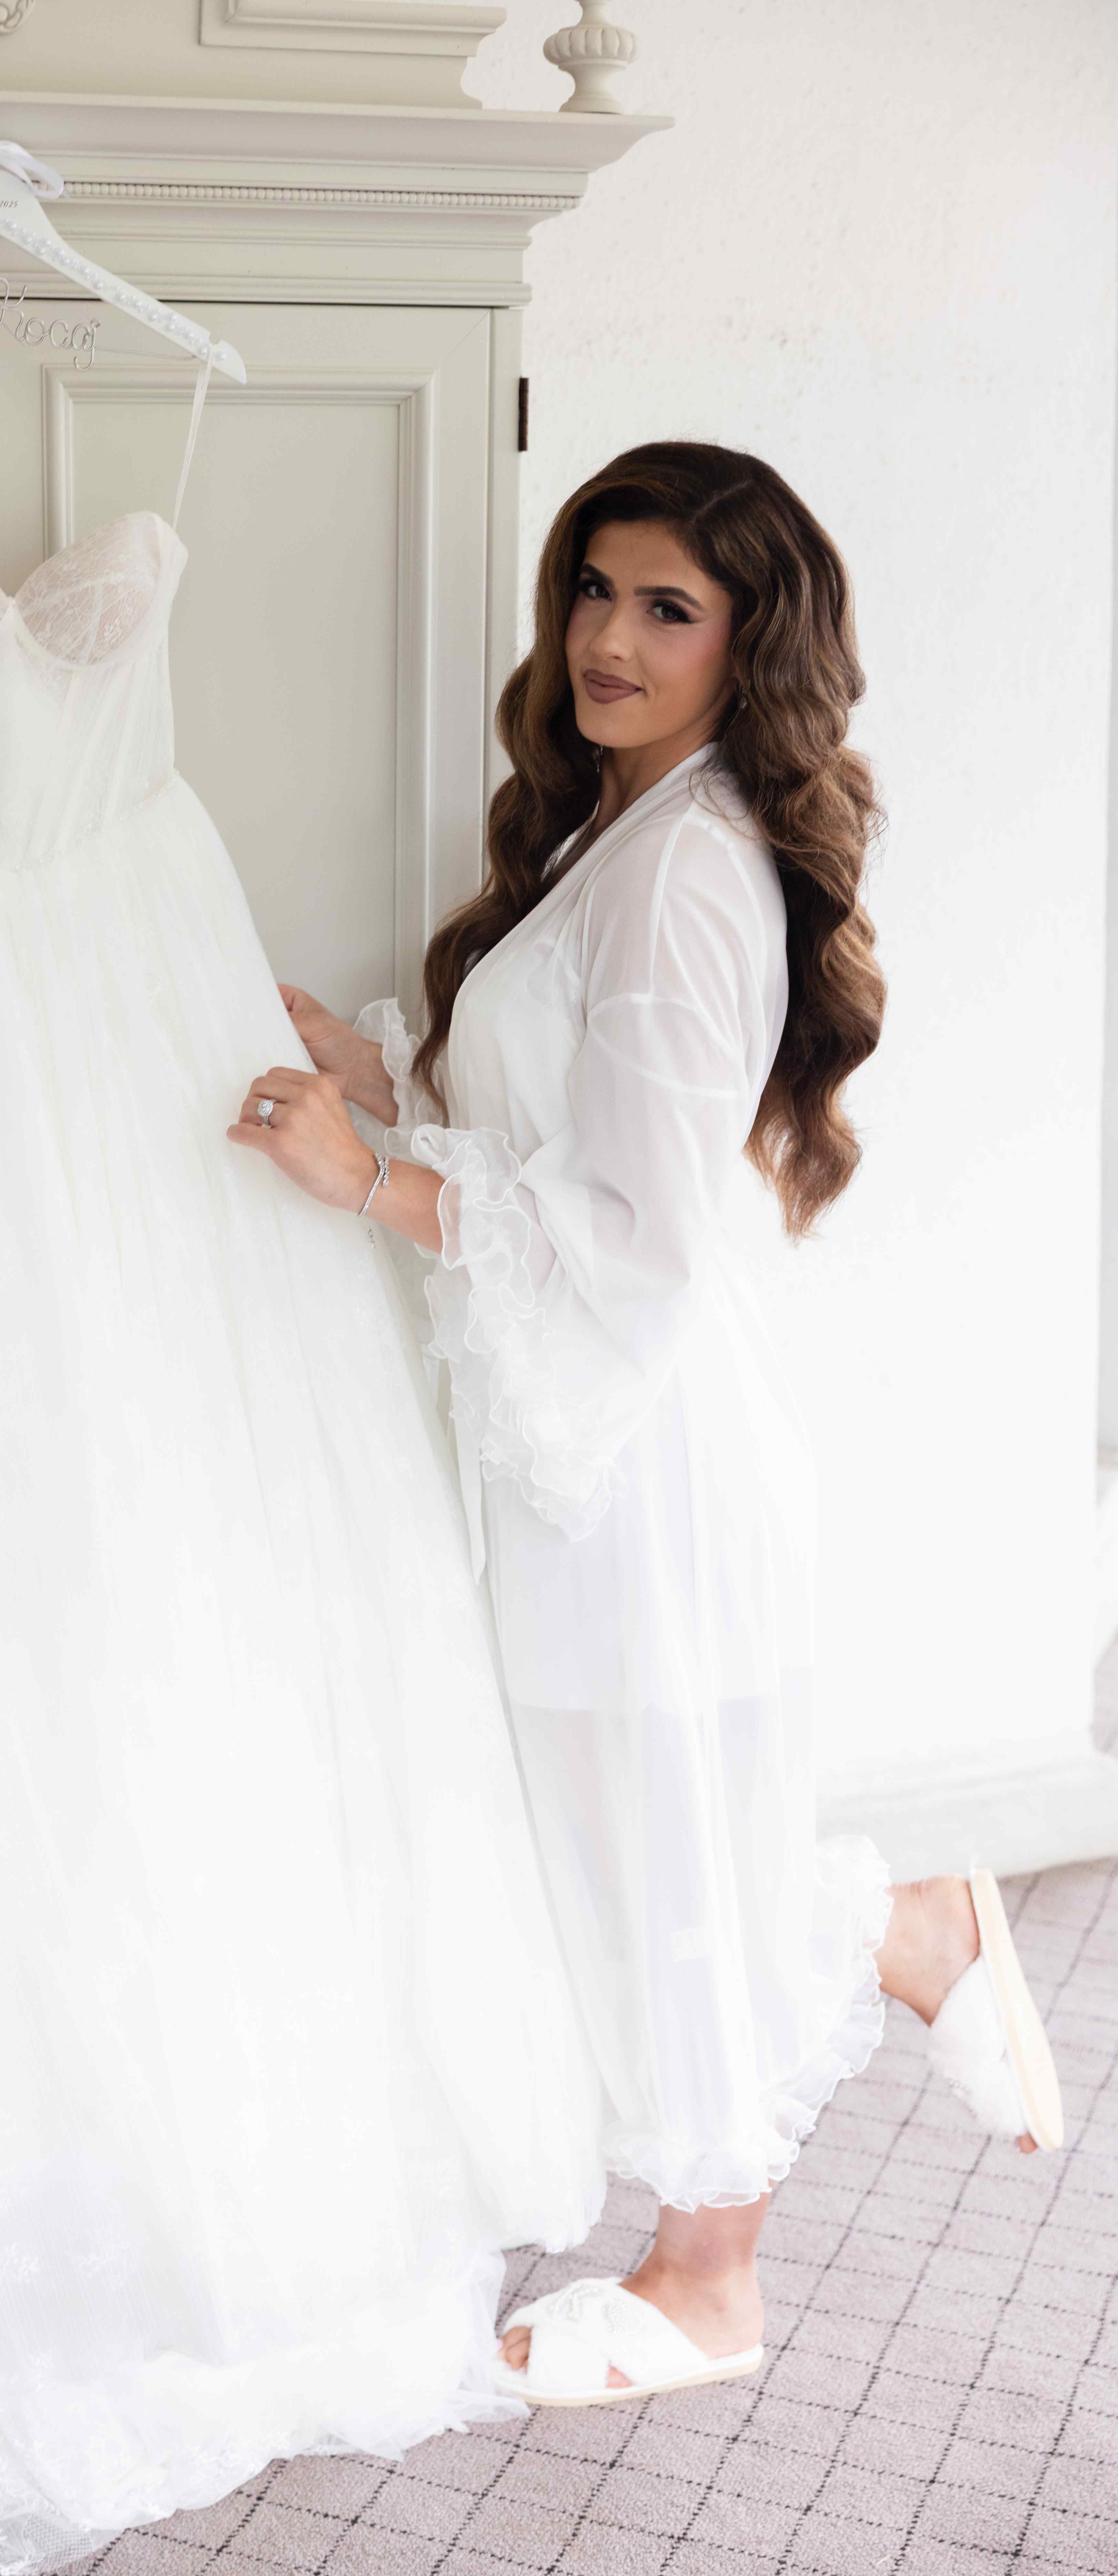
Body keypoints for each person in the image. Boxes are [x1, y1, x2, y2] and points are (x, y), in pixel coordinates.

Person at [230, 441, 1061, 2407]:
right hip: (573, 1439)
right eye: (590, 591)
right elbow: (561, 1129)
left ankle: (712, 2279)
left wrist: (368, 1184)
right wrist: (388, 1073)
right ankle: (896, 1915)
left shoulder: (690, 867)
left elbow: (637, 1236)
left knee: (642, 1849)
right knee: (602, 1833)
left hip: (641, 1455)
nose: (606, 637)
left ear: (745, 641)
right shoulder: (621, 827)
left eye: (664, 608)